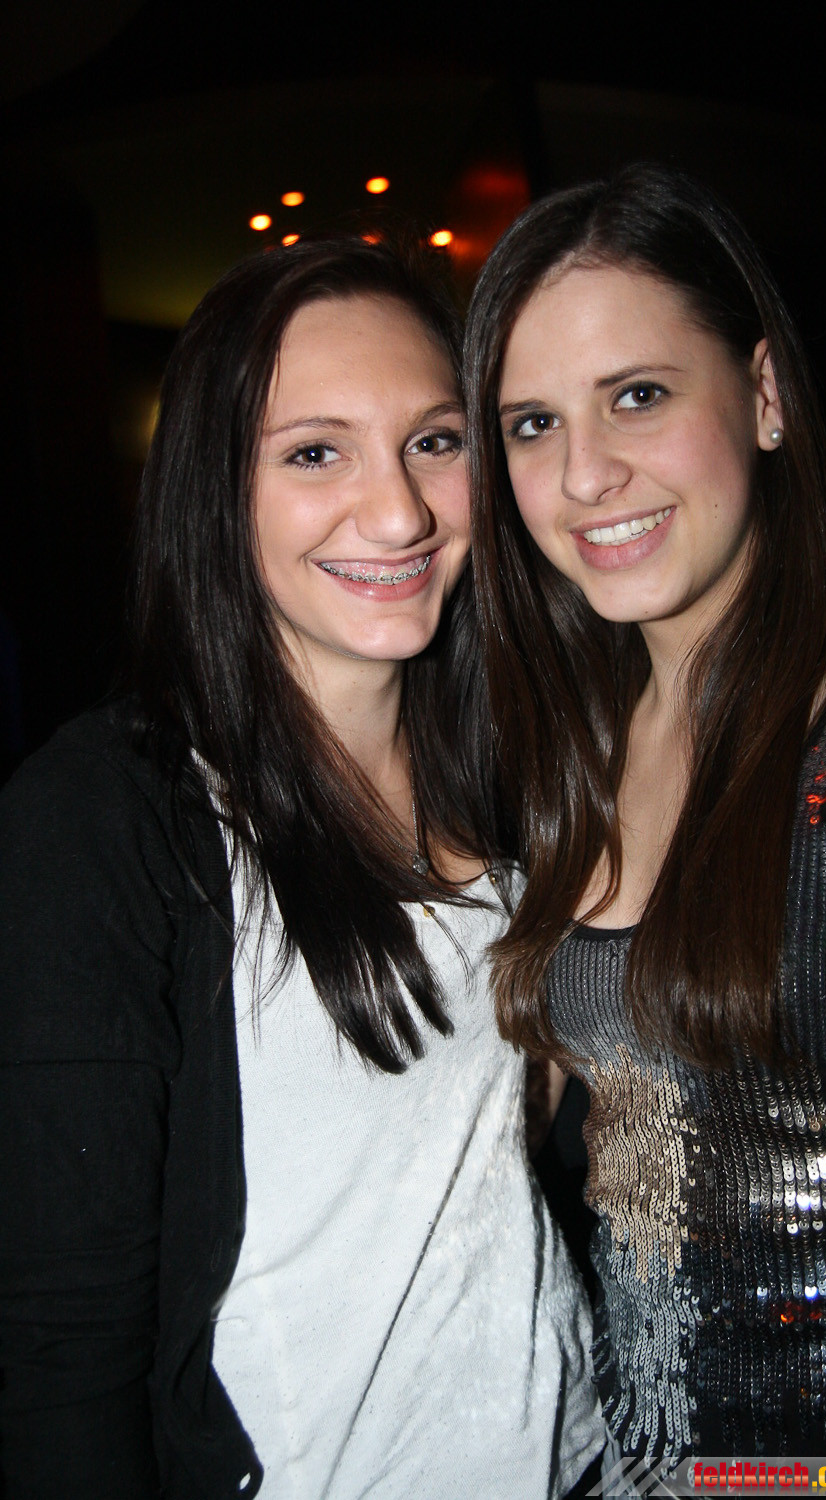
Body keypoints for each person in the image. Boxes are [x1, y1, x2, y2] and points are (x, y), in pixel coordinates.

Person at [0, 236, 602, 1498]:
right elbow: (60, 1349)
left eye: (433, 442)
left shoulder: (521, 768)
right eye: (314, 453)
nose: (397, 513)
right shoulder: (105, 822)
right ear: (212, 491)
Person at [464, 165, 826, 1474]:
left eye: (636, 395)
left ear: (763, 394)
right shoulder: (570, 757)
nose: (584, 474)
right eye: (531, 424)